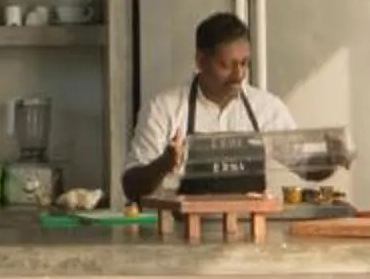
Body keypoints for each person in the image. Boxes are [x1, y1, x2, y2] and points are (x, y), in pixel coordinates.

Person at [121, 12, 348, 204]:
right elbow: (131, 186)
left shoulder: (267, 109)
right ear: (200, 61)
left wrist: (333, 158)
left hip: (251, 234)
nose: (238, 75)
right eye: (226, 65)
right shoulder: (164, 108)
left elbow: (306, 168)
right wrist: (165, 163)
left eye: (244, 63)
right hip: (181, 236)